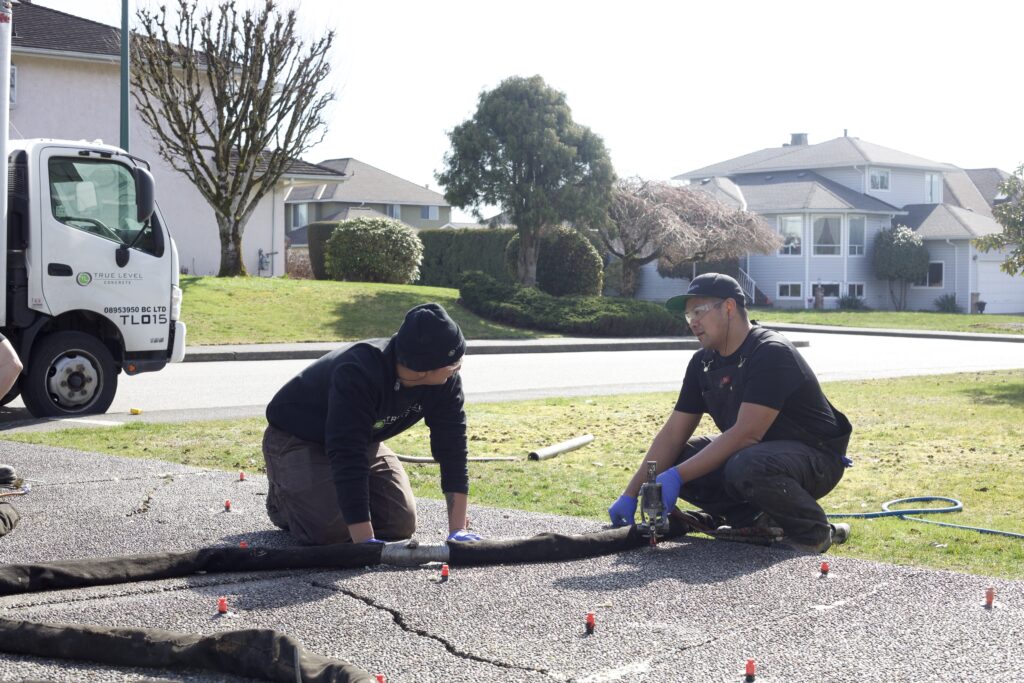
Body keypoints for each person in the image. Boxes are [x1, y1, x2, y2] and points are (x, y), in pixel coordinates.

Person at [607, 273, 853, 552]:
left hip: (815, 460)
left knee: (744, 463)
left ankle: (811, 531)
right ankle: (756, 521)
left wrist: (676, 477)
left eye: (698, 311)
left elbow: (747, 435)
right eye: (688, 316)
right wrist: (631, 492)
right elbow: (673, 434)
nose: (693, 323)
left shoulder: (770, 352)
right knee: (679, 457)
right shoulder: (702, 363)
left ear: (728, 307)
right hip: (758, 454)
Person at [263, 302, 482, 546]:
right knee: (328, 533)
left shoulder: (446, 382)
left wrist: (458, 529)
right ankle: (283, 502)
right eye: (454, 364)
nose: (458, 368)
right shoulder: (359, 371)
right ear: (422, 369)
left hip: (361, 438)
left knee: (400, 524)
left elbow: (453, 449)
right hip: (297, 436)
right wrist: (364, 543)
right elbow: (348, 454)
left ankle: (325, 499)